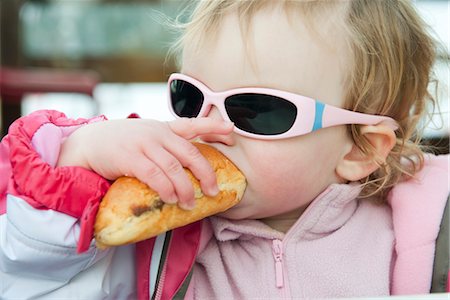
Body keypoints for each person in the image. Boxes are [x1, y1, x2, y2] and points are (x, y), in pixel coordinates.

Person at [1, 0, 449, 298]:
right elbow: (23, 278)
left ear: (359, 150)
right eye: (191, 99)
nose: (213, 129)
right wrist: (77, 161)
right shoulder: (149, 237)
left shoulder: (429, 241)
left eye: (255, 109)